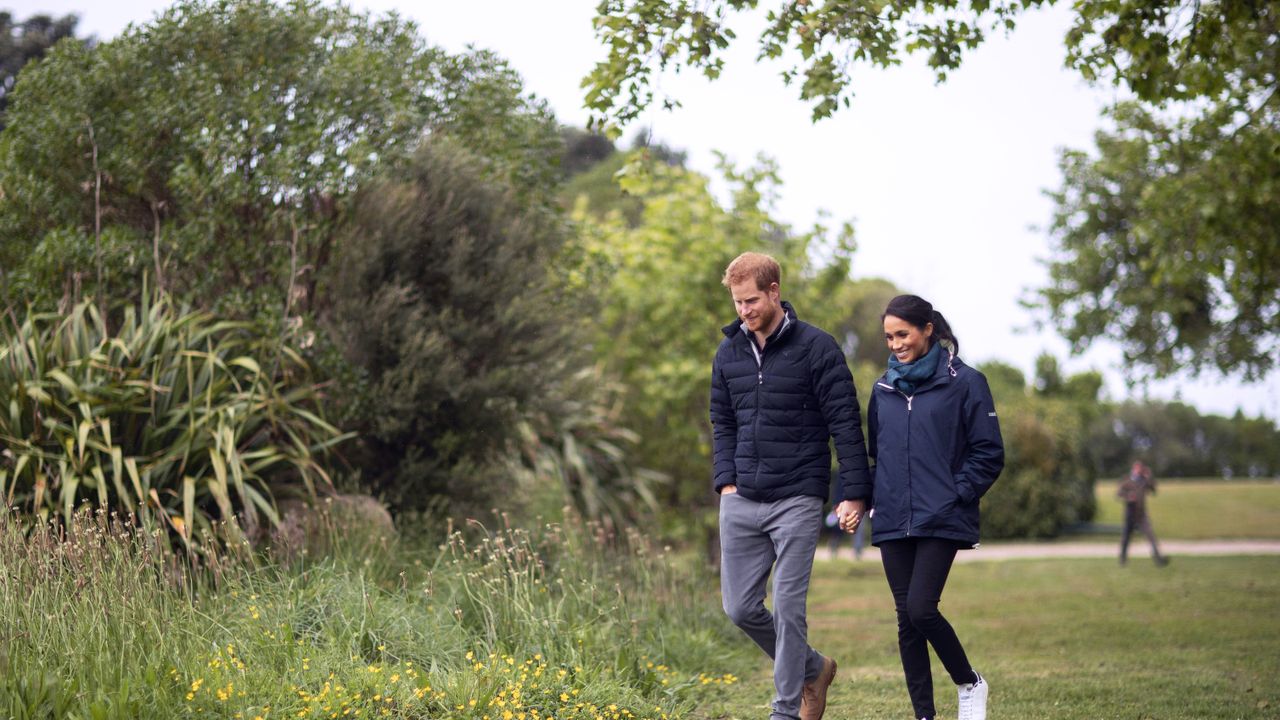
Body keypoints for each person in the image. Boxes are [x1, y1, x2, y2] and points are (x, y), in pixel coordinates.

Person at [710, 252, 872, 720]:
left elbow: (845, 422)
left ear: (775, 290)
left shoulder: (817, 348)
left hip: (798, 496)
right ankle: (814, 668)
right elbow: (722, 421)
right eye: (738, 302)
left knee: (787, 605)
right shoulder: (729, 351)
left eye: (752, 300)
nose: (744, 310)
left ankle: (784, 710)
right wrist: (726, 484)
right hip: (742, 496)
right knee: (740, 608)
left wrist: (854, 492)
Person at [845, 294, 1004, 720]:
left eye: (903, 334)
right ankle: (924, 715)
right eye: (889, 337)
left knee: (921, 608)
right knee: (905, 619)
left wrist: (956, 494)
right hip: (894, 516)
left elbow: (988, 452)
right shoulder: (883, 389)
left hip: (942, 515)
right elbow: (879, 454)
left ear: (927, 329)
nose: (895, 344)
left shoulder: (966, 381)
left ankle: (969, 682)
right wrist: (865, 499)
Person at [1117, 460, 1169, 566]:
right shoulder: (1127, 480)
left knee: (1151, 536)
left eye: (1140, 469)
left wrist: (1149, 476)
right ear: (1133, 469)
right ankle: (1123, 559)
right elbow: (1119, 494)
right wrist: (1128, 497)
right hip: (1130, 514)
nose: (1138, 471)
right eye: (1137, 469)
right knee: (1126, 538)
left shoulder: (1144, 481)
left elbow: (1154, 490)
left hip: (1141, 514)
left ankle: (1159, 559)